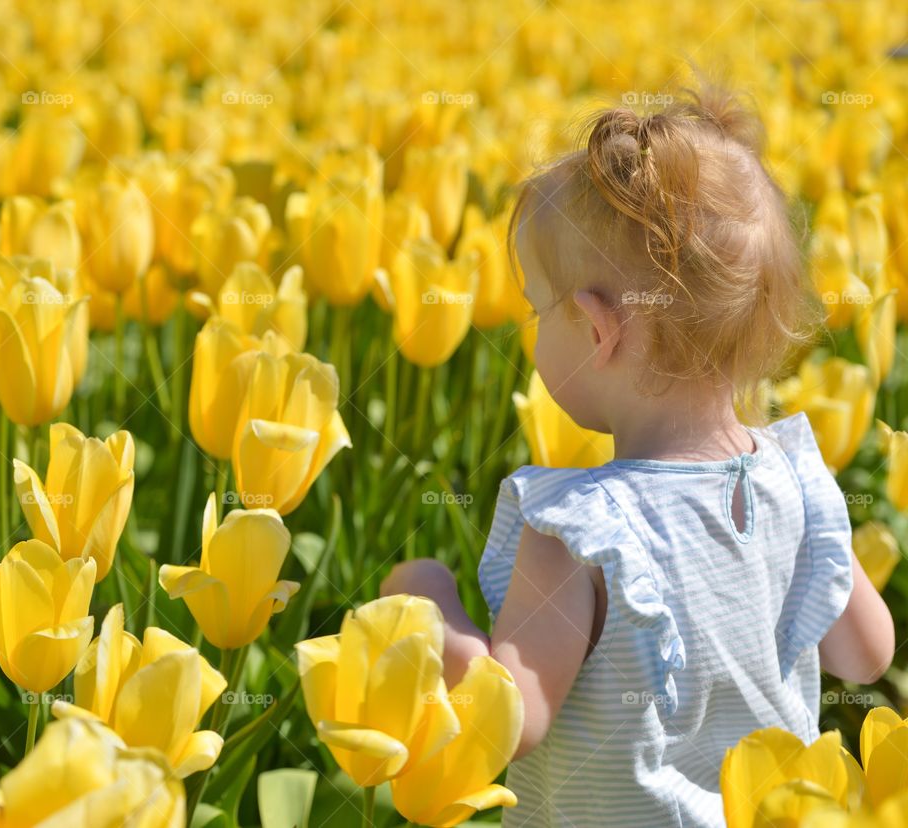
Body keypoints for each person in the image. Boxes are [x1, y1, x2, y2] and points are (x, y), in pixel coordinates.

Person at [379, 83, 895, 827]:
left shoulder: (577, 531)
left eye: (537, 309)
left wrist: (432, 604)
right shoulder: (799, 481)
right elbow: (867, 656)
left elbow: (510, 719)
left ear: (597, 331)